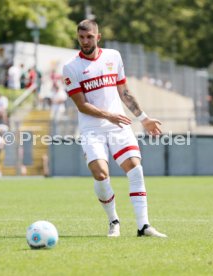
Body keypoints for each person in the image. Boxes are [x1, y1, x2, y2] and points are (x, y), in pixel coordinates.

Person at [63, 20, 167, 238]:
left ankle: (143, 226)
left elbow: (124, 93)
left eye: (89, 37)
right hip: (93, 128)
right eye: (81, 37)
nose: (85, 41)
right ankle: (114, 221)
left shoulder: (114, 56)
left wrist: (144, 119)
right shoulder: (71, 68)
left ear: (98, 37)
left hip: (118, 125)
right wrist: (109, 115)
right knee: (101, 174)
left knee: (135, 167)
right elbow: (81, 105)